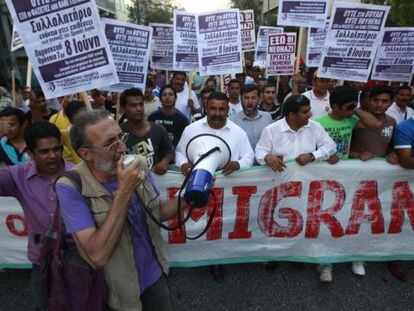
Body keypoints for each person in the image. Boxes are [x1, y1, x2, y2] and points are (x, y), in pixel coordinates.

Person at [56, 109, 180, 310]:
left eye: (121, 137)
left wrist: (189, 198)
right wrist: (124, 192)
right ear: (85, 154)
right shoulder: (70, 186)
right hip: (113, 293)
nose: (122, 148)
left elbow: (157, 213)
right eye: (110, 143)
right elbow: (97, 256)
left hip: (155, 276)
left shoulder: (137, 163)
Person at [175, 92, 254, 281]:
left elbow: (249, 158)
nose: (217, 113)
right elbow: (180, 152)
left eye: (222, 109)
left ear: (228, 110)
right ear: (206, 108)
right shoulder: (191, 129)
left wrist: (237, 165)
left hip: (226, 189)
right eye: (213, 108)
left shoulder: (238, 132)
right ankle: (202, 256)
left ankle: (218, 259)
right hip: (198, 185)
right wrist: (183, 164)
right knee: (201, 225)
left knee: (220, 226)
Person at [0, 122, 72, 309]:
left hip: (78, 259)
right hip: (42, 261)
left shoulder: (78, 175)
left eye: (56, 149)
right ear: (30, 154)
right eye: (44, 151)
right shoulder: (18, 176)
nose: (53, 156)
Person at [315, 86, 382, 282]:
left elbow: (375, 125)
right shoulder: (319, 123)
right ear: (334, 106)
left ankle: (355, 256)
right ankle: (325, 264)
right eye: (348, 107)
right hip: (326, 179)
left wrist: (354, 109)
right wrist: (326, 156)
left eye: (355, 106)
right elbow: (313, 150)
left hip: (349, 177)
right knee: (328, 221)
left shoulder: (351, 118)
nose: (353, 110)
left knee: (352, 218)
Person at [255, 95, 336, 172]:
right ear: (292, 115)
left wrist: (312, 156)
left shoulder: (315, 127)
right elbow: (259, 151)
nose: (310, 114)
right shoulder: (271, 130)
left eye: (309, 110)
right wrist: (267, 157)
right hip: (279, 181)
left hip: (307, 181)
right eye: (305, 112)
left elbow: (331, 146)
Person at [120, 88, 174, 175]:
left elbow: (170, 152)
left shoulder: (158, 129)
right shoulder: (119, 134)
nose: (139, 109)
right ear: (123, 109)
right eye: (133, 105)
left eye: (141, 104)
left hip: (156, 182)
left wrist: (164, 162)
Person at [350, 85, 398, 164]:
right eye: (375, 100)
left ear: (391, 102)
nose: (379, 105)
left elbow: (389, 146)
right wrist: (357, 155)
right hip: (355, 168)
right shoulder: (354, 119)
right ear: (368, 100)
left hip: (379, 170)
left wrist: (392, 154)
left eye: (384, 101)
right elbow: (341, 146)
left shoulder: (392, 122)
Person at [230, 84, 272, 149]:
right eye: (246, 98)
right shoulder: (233, 121)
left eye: (253, 98)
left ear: (259, 99)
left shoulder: (267, 117)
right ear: (241, 99)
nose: (250, 102)